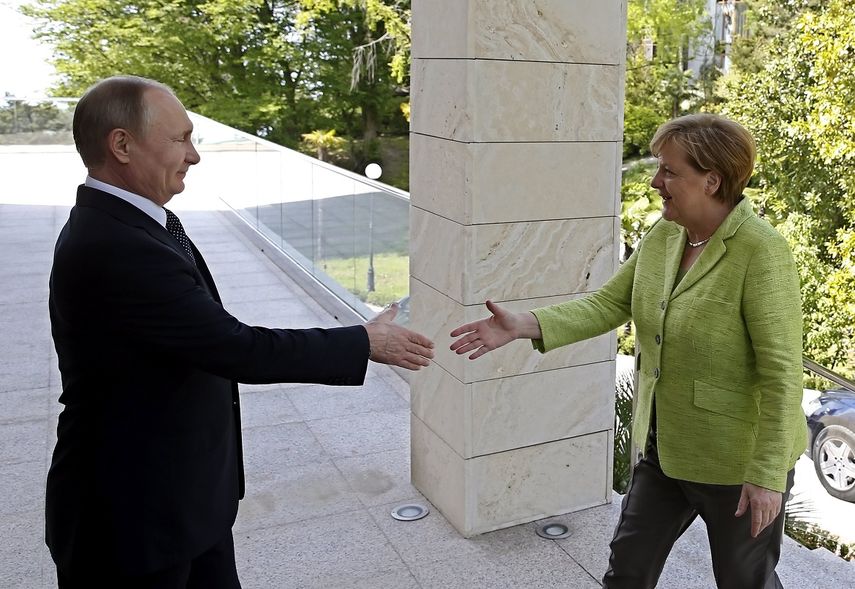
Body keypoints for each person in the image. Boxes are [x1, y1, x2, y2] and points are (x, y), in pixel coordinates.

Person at [47, 75, 434, 588]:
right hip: (133, 521)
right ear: (121, 144)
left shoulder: (135, 224)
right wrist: (365, 342)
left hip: (183, 501)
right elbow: (235, 347)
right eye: (181, 139)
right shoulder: (116, 245)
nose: (194, 156)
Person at [449, 114, 806, 588]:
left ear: (711, 180)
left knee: (745, 581)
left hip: (736, 463)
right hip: (664, 448)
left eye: (669, 171)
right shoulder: (666, 236)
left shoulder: (761, 251)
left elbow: (783, 374)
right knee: (628, 569)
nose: (656, 182)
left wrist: (766, 475)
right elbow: (609, 303)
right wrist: (524, 325)